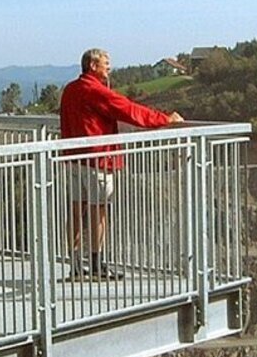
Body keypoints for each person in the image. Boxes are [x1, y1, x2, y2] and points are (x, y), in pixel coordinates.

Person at [60, 48, 183, 279]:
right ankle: (97, 264)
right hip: (97, 159)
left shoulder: (70, 90)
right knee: (99, 210)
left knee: (76, 209)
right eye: (106, 63)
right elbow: (129, 110)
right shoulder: (95, 91)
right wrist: (165, 119)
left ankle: (75, 265)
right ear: (93, 66)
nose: (109, 67)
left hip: (74, 158)